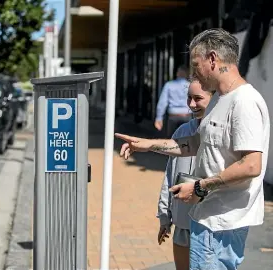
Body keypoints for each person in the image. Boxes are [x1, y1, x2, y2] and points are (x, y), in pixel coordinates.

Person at [115, 28, 270, 270]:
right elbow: (197, 143)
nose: (193, 71)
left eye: (195, 64)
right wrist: (147, 145)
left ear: (212, 59)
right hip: (209, 218)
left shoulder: (244, 101)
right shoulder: (221, 98)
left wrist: (199, 187)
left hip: (221, 222)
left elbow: (251, 164)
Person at [157, 80, 213, 270]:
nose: (191, 104)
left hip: (210, 227)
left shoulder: (222, 133)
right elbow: (169, 176)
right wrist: (165, 217)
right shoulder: (181, 131)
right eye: (189, 98)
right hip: (182, 224)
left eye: (198, 99)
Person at [155, 66, 191, 137]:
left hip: (173, 116)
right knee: (186, 142)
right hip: (186, 116)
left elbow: (162, 102)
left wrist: (159, 118)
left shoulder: (169, 85)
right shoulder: (190, 85)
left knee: (172, 141)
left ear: (177, 74)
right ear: (186, 74)